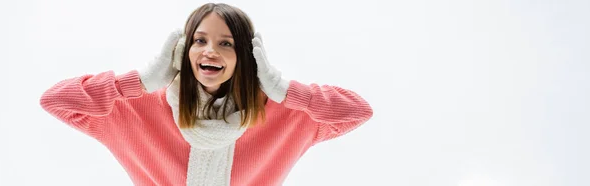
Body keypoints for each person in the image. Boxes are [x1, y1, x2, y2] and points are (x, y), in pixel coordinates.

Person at [40, 3, 373, 186]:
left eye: (226, 43)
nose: (210, 51)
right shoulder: (135, 109)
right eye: (199, 41)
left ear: (246, 55)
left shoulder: (285, 114)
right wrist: (140, 80)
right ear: (184, 49)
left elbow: (358, 111)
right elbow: (55, 100)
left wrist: (284, 90)